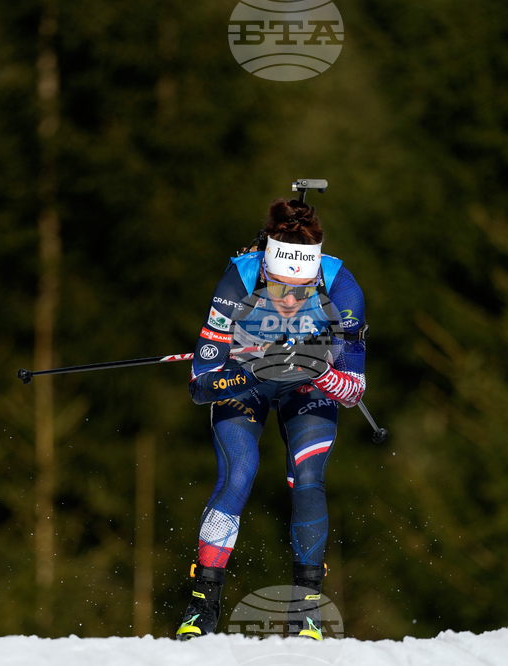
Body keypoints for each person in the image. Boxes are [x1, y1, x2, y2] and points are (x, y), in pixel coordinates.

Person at [175, 197, 367, 641]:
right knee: (239, 473)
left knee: (309, 476)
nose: (289, 299)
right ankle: (201, 605)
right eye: (279, 288)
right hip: (250, 384)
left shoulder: (342, 287)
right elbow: (200, 384)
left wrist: (319, 368)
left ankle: (307, 612)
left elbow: (355, 391)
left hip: (307, 388)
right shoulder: (239, 277)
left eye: (301, 291)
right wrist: (247, 369)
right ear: (265, 271)